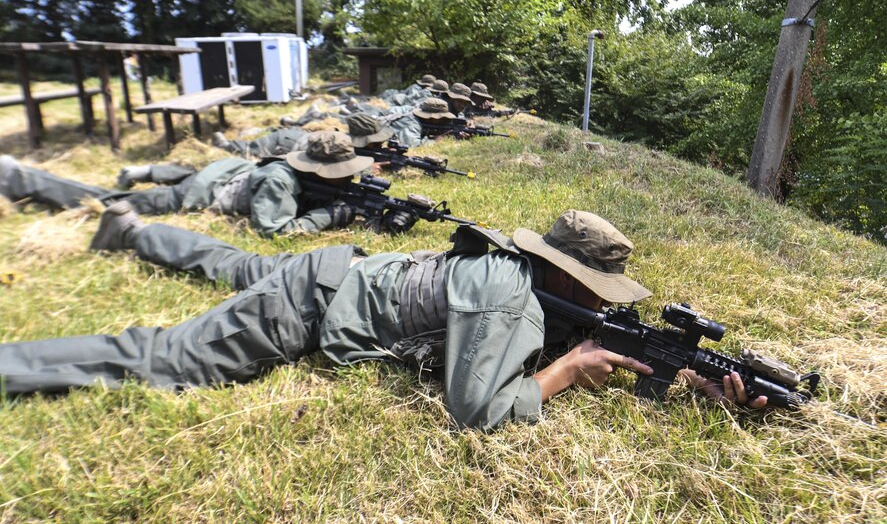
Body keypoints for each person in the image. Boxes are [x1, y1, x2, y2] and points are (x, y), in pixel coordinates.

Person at [0, 209, 766, 430]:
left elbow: (588, 343)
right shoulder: (507, 294)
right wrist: (565, 371)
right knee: (163, 359)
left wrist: (694, 381)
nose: (602, 304)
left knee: (232, 261)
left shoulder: (530, 285)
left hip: (338, 270)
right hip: (308, 305)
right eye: (597, 288)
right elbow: (475, 410)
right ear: (561, 270)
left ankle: (131, 231)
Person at [0, 132, 414, 237]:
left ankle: (145, 170)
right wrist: (330, 216)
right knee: (118, 201)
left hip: (231, 167)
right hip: (206, 191)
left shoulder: (310, 175)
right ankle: (20, 176)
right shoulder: (277, 180)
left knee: (186, 168)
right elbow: (274, 230)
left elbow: (343, 193)